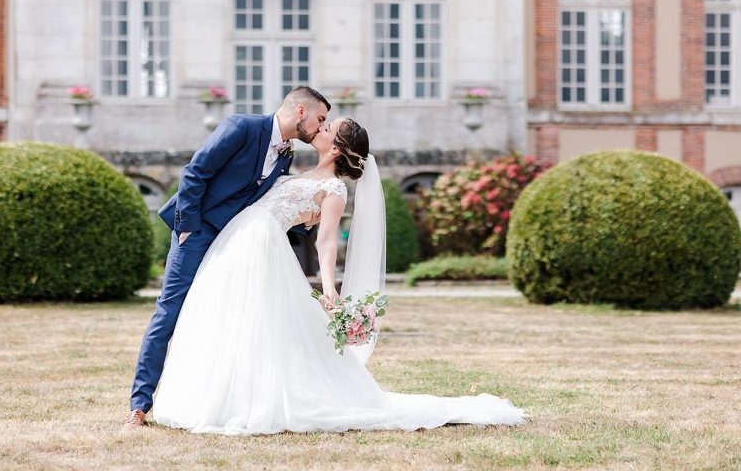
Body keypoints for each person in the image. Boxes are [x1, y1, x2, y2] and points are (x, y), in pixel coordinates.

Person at [149, 118, 525, 434]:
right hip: (240, 241)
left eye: (328, 126)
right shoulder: (293, 170)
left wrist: (330, 288)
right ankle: (220, 396)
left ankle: (246, 403)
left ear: (337, 147)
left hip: (261, 248)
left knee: (255, 323)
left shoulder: (334, 189)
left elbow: (326, 242)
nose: (320, 128)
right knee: (227, 320)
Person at [124, 86, 331, 429]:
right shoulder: (242, 127)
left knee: (219, 319)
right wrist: (188, 228)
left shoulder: (286, 155)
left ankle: (209, 402)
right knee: (169, 311)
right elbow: (195, 172)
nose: (321, 127)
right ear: (300, 112)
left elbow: (264, 202)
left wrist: (306, 223)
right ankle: (139, 406)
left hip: (234, 243)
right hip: (198, 233)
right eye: (320, 118)